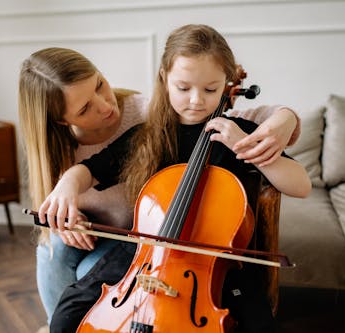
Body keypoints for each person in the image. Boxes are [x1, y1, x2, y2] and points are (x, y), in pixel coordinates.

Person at [40, 24, 311, 333]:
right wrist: (68, 185)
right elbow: (88, 169)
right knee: (68, 310)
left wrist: (242, 146)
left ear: (226, 85)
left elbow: (301, 185)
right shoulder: (145, 135)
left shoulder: (235, 134)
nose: (196, 100)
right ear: (164, 79)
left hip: (215, 262)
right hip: (144, 251)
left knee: (258, 323)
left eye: (210, 89)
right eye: (183, 88)